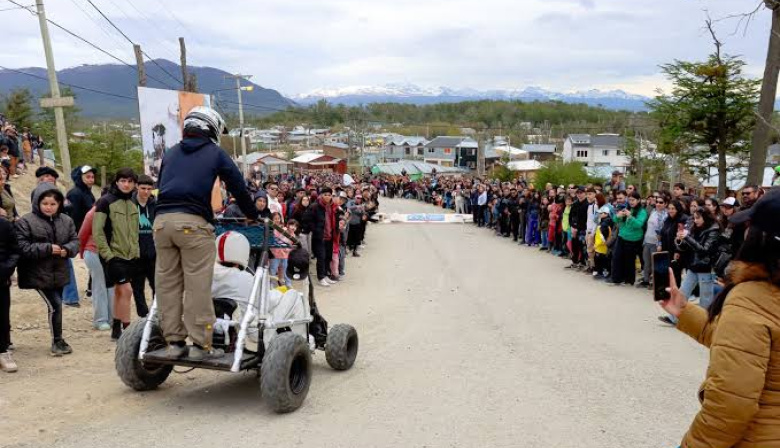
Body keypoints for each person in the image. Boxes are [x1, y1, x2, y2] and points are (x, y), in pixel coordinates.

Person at [658, 189, 780, 448]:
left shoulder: (754, 297)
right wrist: (685, 312)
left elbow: (731, 404)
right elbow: (754, 349)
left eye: (749, 226)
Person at [155, 106, 258, 360]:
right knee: (197, 283)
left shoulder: (170, 153)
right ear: (211, 127)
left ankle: (174, 343)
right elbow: (237, 186)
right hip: (193, 224)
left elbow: (162, 185)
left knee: (167, 284)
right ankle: (202, 344)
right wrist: (253, 214)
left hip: (161, 223)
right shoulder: (215, 153)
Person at [15, 183, 79, 356]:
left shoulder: (66, 220)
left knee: (55, 305)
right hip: (37, 274)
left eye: (53, 204)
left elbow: (75, 241)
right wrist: (47, 248)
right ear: (37, 203)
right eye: (45, 203)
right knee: (56, 305)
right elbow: (22, 247)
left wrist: (68, 249)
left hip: (59, 272)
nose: (49, 207)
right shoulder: (26, 221)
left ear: (59, 204)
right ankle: (57, 341)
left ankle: (58, 339)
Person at [93, 168, 140, 341]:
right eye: (122, 181)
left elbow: (134, 232)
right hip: (113, 255)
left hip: (130, 256)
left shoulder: (133, 203)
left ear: (134, 184)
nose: (126, 184)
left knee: (121, 292)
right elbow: (97, 232)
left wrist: (136, 253)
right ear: (116, 182)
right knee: (127, 291)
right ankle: (127, 331)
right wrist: (108, 256)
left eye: (129, 181)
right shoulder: (105, 202)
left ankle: (116, 329)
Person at [63, 166, 97, 307]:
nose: (91, 180)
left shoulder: (88, 193)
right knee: (66, 261)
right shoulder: (75, 193)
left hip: (89, 231)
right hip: (77, 232)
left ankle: (91, 287)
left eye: (92, 177)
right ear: (79, 177)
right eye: (87, 177)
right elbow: (74, 216)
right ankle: (67, 295)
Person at [78, 203, 114, 331]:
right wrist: (82, 252)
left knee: (112, 287)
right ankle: (100, 319)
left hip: (114, 254)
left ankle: (112, 318)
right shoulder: (93, 212)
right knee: (100, 285)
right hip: (94, 251)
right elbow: (82, 234)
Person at [608, 191, 648, 286]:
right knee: (616, 257)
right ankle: (616, 279)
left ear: (638, 200)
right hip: (622, 236)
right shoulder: (627, 208)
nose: (631, 202)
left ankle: (629, 280)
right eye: (629, 200)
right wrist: (617, 216)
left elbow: (638, 224)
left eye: (633, 200)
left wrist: (630, 216)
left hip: (633, 239)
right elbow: (615, 220)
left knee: (629, 260)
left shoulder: (642, 211)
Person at [130, 175, 156, 318]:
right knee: (138, 287)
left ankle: (154, 313)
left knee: (156, 286)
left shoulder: (155, 205)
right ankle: (143, 315)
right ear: (137, 187)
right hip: (136, 252)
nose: (146, 192)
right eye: (143, 188)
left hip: (152, 252)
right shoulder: (130, 203)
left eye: (149, 189)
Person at [0, 211, 19, 372]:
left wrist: (6, 269)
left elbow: (15, 250)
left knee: (2, 317)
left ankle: (3, 351)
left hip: (1, 278)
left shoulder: (5, 225)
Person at [639, 194, 667, 288]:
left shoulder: (665, 216)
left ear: (665, 204)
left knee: (656, 263)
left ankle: (655, 283)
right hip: (647, 241)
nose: (658, 204)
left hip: (656, 243)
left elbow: (661, 232)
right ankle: (646, 280)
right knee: (646, 262)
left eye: (661, 202)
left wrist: (659, 244)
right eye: (657, 202)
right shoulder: (653, 212)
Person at [310, 187, 337, 287]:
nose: (327, 196)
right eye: (325, 194)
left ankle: (325, 275)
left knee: (328, 257)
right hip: (319, 236)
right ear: (321, 195)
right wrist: (316, 230)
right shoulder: (315, 206)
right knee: (321, 257)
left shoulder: (332, 206)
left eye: (329, 195)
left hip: (330, 235)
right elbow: (308, 220)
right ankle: (320, 277)